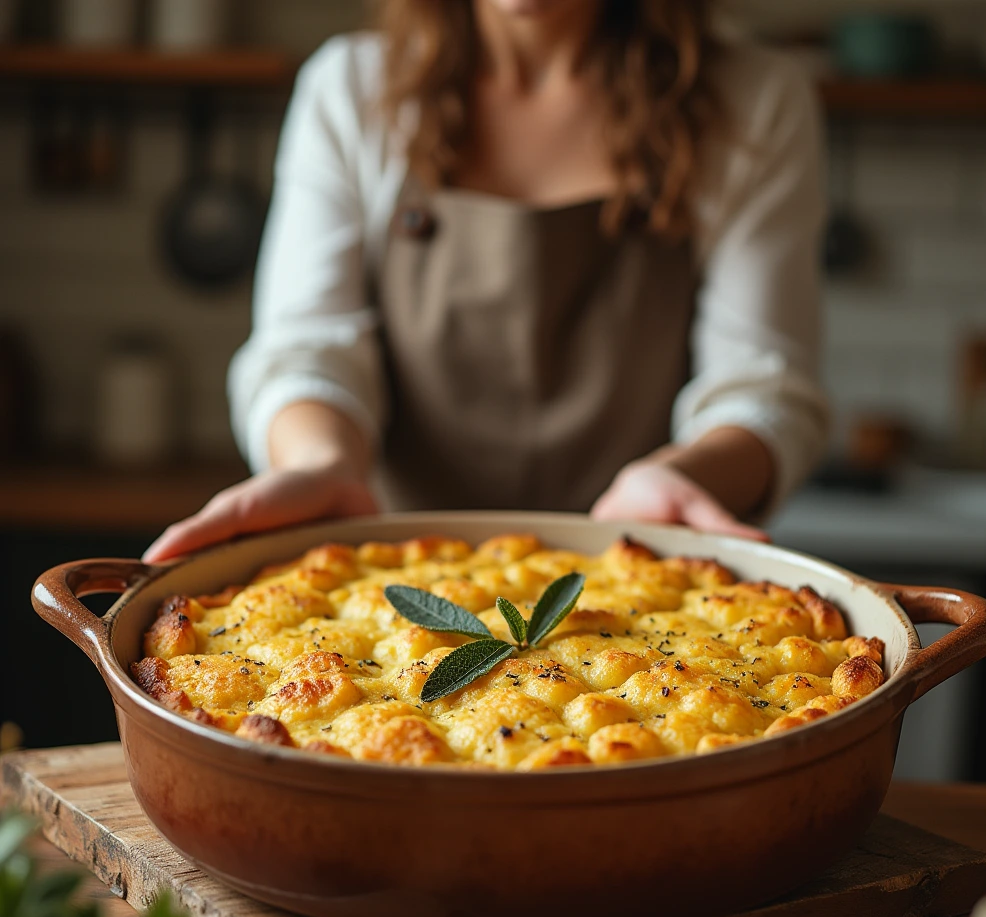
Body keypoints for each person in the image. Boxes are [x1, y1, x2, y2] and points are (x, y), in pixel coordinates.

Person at [144, 0, 828, 563]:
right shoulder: (351, 90)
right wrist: (322, 464)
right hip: (384, 607)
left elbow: (762, 388)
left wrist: (682, 477)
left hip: (645, 596)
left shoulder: (756, 102)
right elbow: (308, 348)